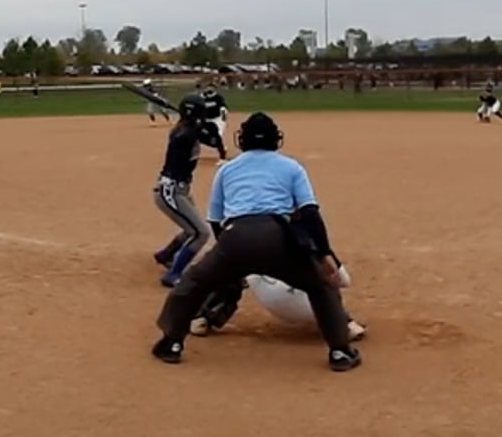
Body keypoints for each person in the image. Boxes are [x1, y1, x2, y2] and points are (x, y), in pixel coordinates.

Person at [152, 112, 363, 371]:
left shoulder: (227, 169)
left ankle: (172, 342)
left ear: (242, 139)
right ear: (276, 139)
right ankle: (340, 351)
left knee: (193, 282)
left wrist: (227, 257)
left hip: (236, 234)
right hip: (278, 236)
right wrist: (324, 253)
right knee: (321, 287)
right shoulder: (291, 167)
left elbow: (216, 220)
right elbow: (310, 214)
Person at [152, 94, 214, 287]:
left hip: (180, 189)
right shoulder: (183, 134)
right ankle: (173, 274)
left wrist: (199, 126)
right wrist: (198, 127)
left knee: (191, 229)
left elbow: (212, 139)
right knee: (201, 233)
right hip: (170, 190)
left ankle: (166, 254)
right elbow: (189, 136)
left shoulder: (187, 129)